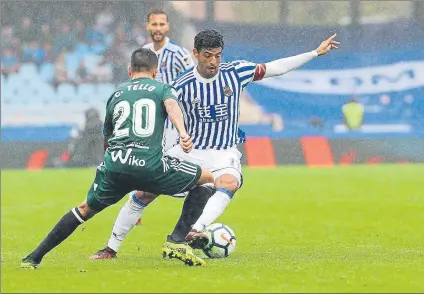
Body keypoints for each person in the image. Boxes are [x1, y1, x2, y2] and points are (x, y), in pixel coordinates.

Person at [92, 29, 340, 266]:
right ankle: (111, 248)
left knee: (229, 182)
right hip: (189, 152)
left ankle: (194, 232)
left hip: (223, 152)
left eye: (218, 55)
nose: (214, 61)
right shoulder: (181, 85)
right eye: (208, 55)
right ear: (196, 53)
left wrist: (314, 53)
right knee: (143, 193)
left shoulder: (236, 72)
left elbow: (276, 67)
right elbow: (161, 116)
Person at [20, 48, 214, 269]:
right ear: (156, 71)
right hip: (150, 166)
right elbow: (172, 106)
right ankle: (176, 241)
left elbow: (108, 137)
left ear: (129, 70)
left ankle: (33, 258)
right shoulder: (162, 89)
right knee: (208, 179)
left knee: (84, 209)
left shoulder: (117, 94)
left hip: (115, 166)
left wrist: (111, 163)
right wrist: (182, 132)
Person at [89, 8, 198, 260]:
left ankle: (190, 231)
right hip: (151, 128)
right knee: (152, 190)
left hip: (173, 127)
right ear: (147, 26)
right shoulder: (143, 54)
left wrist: (184, 126)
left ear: (167, 27)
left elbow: (192, 82)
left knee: (156, 190)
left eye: (162, 24)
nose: (158, 28)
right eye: (154, 24)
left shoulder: (180, 54)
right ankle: (185, 233)